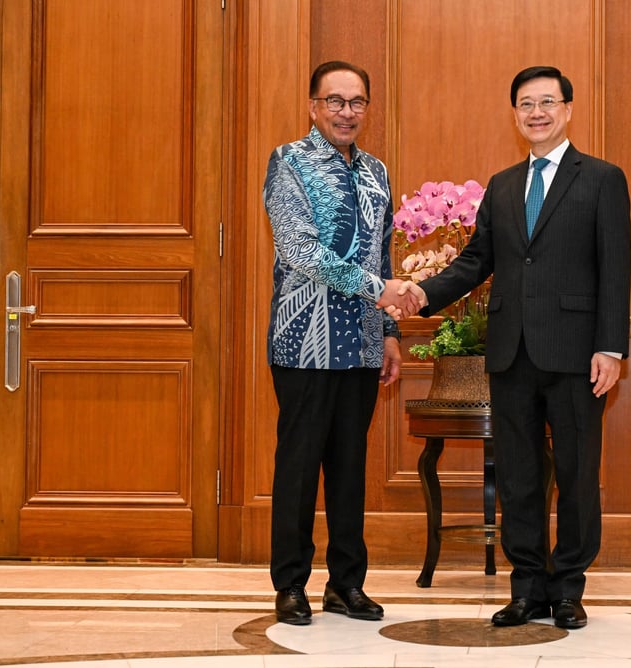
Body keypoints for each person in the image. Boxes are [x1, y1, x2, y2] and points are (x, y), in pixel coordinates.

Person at [395, 66, 631, 629]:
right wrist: (421, 293)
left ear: (569, 109)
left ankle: (569, 588)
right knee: (520, 476)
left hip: (578, 354)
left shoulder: (602, 178)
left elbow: (615, 268)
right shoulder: (502, 185)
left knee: (575, 473)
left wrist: (611, 348)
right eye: (526, 104)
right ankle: (526, 586)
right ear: (515, 114)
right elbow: (478, 262)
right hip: (510, 353)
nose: (537, 113)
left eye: (547, 102)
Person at [262, 60, 418, 626]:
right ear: (313, 106)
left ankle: (346, 584)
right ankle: (291, 585)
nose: (346, 112)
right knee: (300, 467)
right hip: (303, 342)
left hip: (361, 345)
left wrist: (392, 334)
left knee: (351, 470)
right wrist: (383, 289)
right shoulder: (289, 163)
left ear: (366, 109)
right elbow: (302, 253)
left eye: (356, 102)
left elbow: (381, 254)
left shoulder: (377, 171)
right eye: (335, 101)